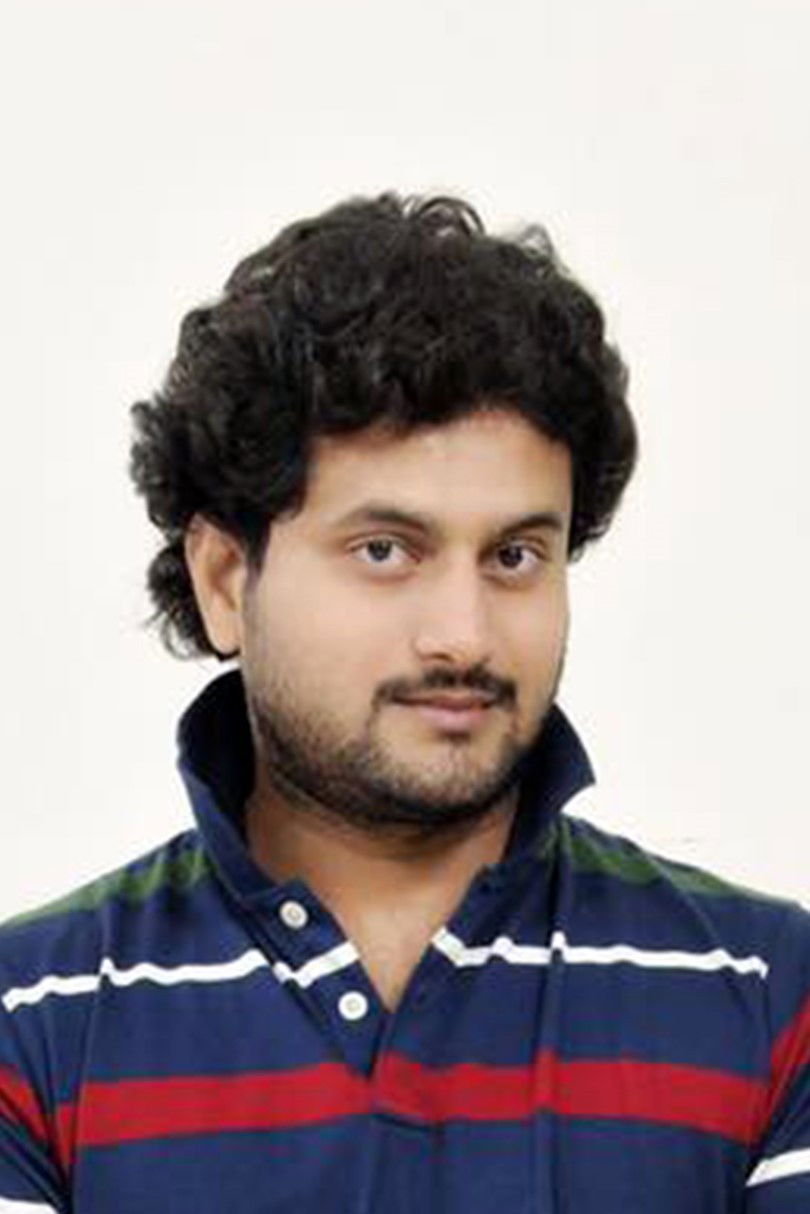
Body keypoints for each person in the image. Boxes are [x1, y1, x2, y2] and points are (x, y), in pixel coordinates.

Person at [0, 194, 807, 1214]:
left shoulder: (770, 994)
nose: (463, 635)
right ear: (223, 580)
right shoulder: (31, 1021)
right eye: (385, 550)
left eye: (515, 556)